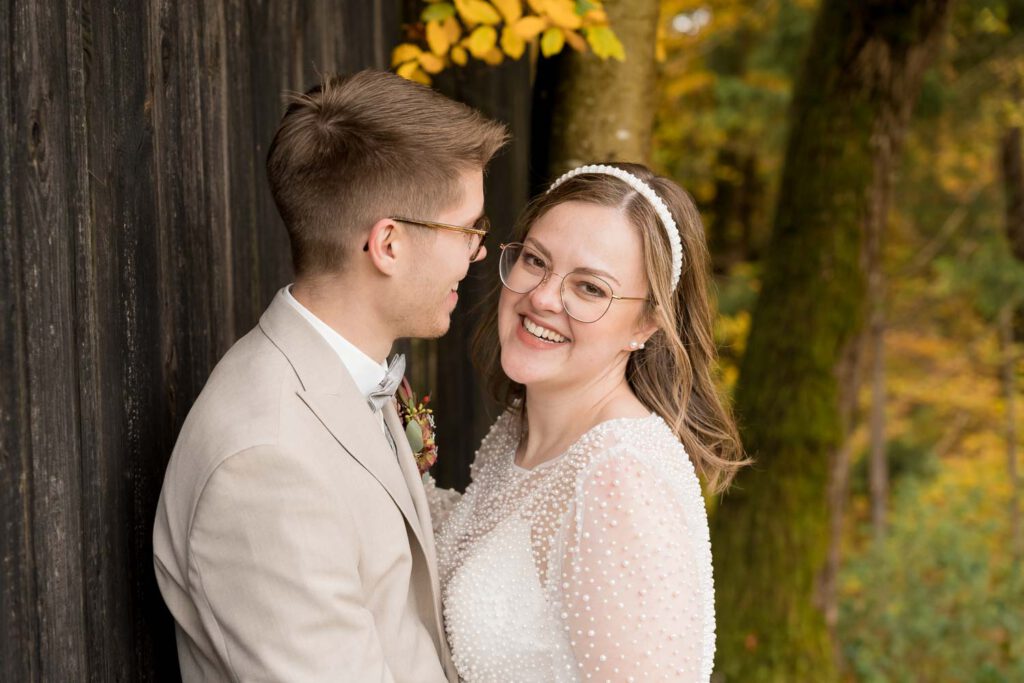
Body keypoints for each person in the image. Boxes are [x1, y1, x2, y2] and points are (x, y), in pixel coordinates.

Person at [152, 69, 507, 682]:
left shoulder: (342, 375)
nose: (476, 251)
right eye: (467, 229)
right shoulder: (266, 460)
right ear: (388, 244)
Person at [432, 163, 748, 682]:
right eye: (536, 261)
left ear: (647, 324)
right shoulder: (519, 430)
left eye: (591, 289)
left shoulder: (620, 479)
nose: (542, 297)